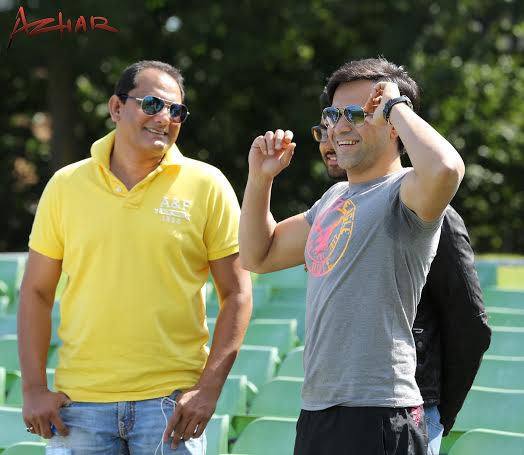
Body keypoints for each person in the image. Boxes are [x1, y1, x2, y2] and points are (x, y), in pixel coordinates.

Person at [18, 60, 253, 454]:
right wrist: (32, 388)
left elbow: (238, 293)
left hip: (171, 407)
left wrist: (208, 389)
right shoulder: (65, 185)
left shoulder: (208, 184)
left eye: (176, 111)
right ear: (116, 107)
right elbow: (36, 292)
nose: (165, 118)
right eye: (152, 104)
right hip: (80, 404)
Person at [239, 57, 466, 455]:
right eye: (333, 115)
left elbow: (446, 169)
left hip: (380, 411)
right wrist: (259, 180)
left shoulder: (406, 190)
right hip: (318, 410)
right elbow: (259, 254)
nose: (339, 127)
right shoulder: (334, 197)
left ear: (394, 125)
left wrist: (394, 104)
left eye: (358, 114)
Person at [312, 120, 491, 454]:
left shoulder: (425, 210)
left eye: (351, 119)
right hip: (336, 412)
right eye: (325, 128)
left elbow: (472, 324)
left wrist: (437, 415)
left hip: (406, 412)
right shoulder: (332, 210)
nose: (332, 138)